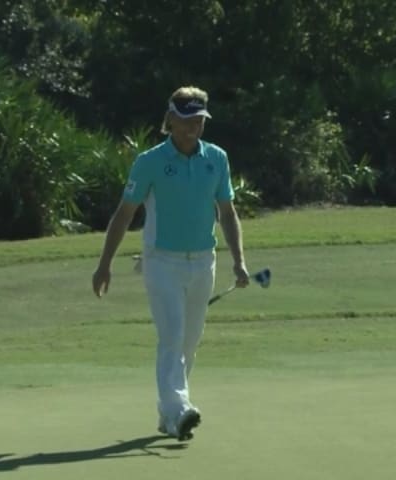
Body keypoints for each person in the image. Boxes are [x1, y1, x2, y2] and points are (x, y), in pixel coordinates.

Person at [92, 86, 250, 441]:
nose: (194, 125)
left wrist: (238, 260)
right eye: (187, 118)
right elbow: (124, 214)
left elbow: (227, 212)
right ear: (171, 120)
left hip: (203, 262)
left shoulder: (217, 159)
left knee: (190, 341)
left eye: (200, 118)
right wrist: (105, 264)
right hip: (161, 262)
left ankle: (168, 413)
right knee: (172, 336)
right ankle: (180, 408)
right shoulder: (150, 161)